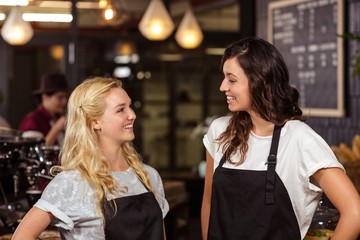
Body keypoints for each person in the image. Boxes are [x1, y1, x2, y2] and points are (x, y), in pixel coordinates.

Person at [201, 37, 360, 240]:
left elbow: (354, 212)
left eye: (232, 79)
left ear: (261, 81)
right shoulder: (220, 130)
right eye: (224, 78)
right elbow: (208, 201)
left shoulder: (299, 139)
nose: (223, 87)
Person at [12, 77, 169, 239]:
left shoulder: (148, 176)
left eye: (130, 106)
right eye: (121, 109)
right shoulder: (72, 184)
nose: (132, 115)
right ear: (95, 122)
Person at [19, 73, 68, 146]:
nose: (65, 101)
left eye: (66, 97)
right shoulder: (32, 121)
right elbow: (34, 152)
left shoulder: (57, 117)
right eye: (60, 97)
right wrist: (57, 128)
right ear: (45, 97)